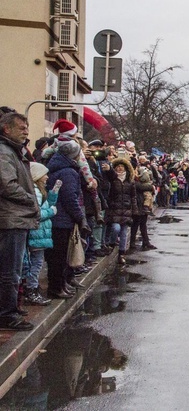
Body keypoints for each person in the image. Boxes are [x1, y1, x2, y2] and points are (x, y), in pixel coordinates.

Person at [0, 112, 40, 330]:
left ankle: (10, 309)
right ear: (7, 129)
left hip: (16, 217)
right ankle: (7, 314)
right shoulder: (4, 152)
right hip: (11, 218)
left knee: (13, 269)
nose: (26, 130)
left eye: (27, 126)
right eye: (21, 127)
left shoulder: (15, 151)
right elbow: (6, 184)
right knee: (10, 271)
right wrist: (29, 200)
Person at [45, 140, 89, 299]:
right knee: (59, 257)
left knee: (58, 256)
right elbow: (71, 198)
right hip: (62, 220)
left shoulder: (57, 168)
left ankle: (61, 285)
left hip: (57, 218)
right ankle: (56, 287)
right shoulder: (68, 172)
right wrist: (80, 217)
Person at [24, 163, 60, 306]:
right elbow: (37, 213)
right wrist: (51, 212)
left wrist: (54, 193)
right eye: (44, 174)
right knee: (36, 264)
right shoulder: (35, 192)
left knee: (35, 263)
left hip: (40, 233)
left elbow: (47, 204)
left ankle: (32, 288)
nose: (47, 177)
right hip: (37, 233)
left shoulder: (40, 190)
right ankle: (31, 290)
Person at [104, 157, 137, 265]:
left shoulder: (130, 181)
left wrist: (134, 209)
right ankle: (112, 243)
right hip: (114, 209)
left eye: (121, 167)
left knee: (123, 233)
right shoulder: (112, 180)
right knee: (115, 228)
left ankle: (121, 254)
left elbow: (133, 196)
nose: (119, 169)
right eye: (117, 167)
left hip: (126, 209)